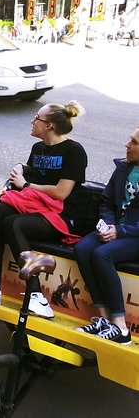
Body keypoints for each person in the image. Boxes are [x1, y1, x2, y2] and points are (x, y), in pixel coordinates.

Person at [0, 101, 88, 318]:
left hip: (61, 216)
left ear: (49, 126)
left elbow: (61, 192)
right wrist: (21, 167)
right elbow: (33, 172)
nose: (32, 121)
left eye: (37, 118)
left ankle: (36, 295)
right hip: (37, 209)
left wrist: (25, 185)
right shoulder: (38, 148)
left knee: (13, 222)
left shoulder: (74, 151)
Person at [73, 127, 139, 346]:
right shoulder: (123, 168)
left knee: (102, 255)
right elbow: (106, 201)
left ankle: (120, 326)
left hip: (134, 235)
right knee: (82, 249)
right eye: (130, 139)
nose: (127, 145)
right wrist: (109, 224)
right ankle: (103, 318)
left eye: (134, 142)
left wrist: (120, 231)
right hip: (114, 228)